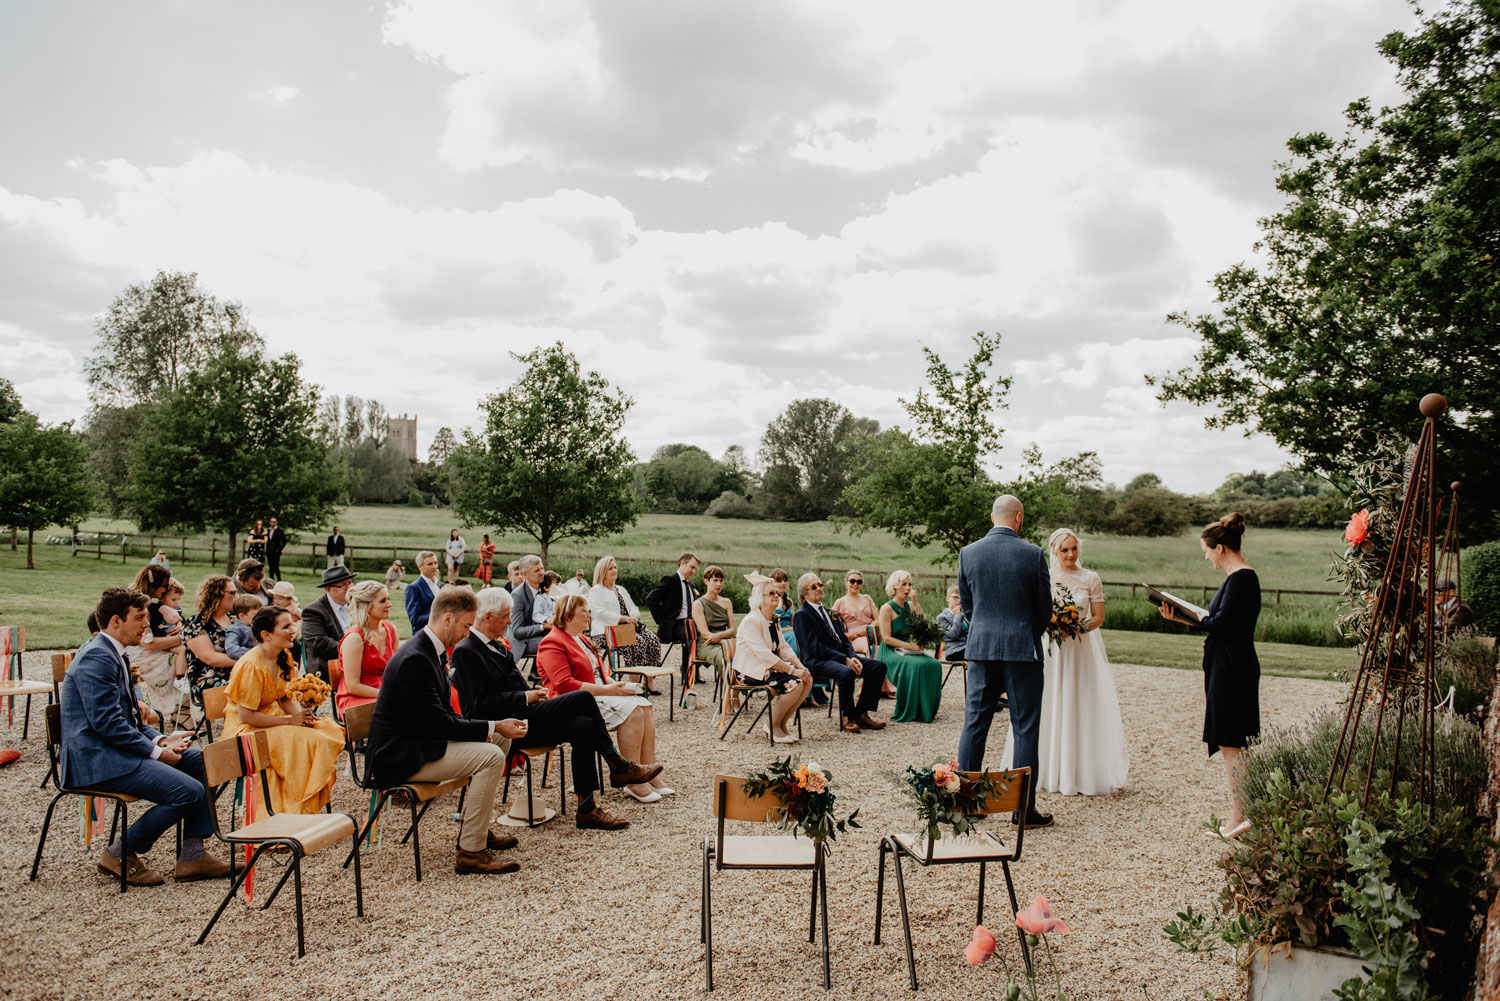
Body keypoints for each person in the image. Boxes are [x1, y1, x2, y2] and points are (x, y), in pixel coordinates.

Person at [59, 587, 231, 887]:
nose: (146, 624)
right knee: (188, 792)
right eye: (139, 618)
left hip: (115, 749)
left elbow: (129, 719)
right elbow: (108, 725)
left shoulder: (111, 652)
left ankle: (192, 855)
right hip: (96, 760)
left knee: (204, 762)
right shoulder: (97, 658)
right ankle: (120, 852)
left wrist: (160, 740)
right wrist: (156, 753)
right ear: (115, 621)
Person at [453, 588, 657, 828]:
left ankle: (586, 808)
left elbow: (515, 685)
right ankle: (618, 765)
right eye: (506, 616)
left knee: (585, 725)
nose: (510, 622)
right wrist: (525, 696)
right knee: (582, 698)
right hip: (503, 730)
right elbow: (479, 707)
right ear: (488, 617)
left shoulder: (497, 646)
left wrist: (535, 695)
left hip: (525, 716)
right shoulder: (466, 652)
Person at [365, 585, 527, 875]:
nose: (467, 633)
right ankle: (471, 852)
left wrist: (494, 728)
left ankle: (474, 828)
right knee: (490, 755)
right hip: (399, 756)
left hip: (420, 742)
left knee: (499, 739)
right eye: (466, 625)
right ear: (448, 618)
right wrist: (491, 724)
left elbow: (446, 713)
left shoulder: (430, 650)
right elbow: (438, 724)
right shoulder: (416, 658)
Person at [1000, 529, 1128, 797]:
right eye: (1065, 550)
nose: (1070, 555)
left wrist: (1076, 627)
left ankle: (1077, 773)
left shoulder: (1090, 578)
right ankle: (1044, 770)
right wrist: (1053, 625)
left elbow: (1098, 617)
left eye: (1074, 549)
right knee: (1046, 702)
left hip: (1080, 650)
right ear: (1053, 551)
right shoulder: (1044, 576)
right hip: (1051, 650)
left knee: (1078, 702)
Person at [1159, 512, 1261, 840]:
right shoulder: (1237, 579)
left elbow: (1221, 624)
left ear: (1220, 548)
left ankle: (1240, 816)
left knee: (1233, 744)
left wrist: (1197, 618)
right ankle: (1242, 814)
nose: (1205, 556)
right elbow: (1219, 621)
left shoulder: (1243, 578)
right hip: (1227, 665)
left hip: (1234, 669)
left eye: (1206, 549)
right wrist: (1184, 619)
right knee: (1229, 741)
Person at [957, 495, 1052, 828]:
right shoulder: (1033, 554)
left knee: (974, 724)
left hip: (981, 649)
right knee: (1024, 727)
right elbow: (1045, 609)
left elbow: (968, 607)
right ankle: (1022, 811)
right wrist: (1024, 633)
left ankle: (968, 804)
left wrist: (984, 630)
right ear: (1019, 518)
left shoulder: (968, 553)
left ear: (991, 516)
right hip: (1022, 651)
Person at [538, 594, 672, 802]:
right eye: (583, 611)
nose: (588, 615)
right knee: (633, 711)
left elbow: (597, 673)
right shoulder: (552, 642)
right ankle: (633, 781)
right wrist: (611, 691)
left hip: (599, 693)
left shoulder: (582, 639)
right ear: (568, 614)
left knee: (645, 705)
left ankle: (648, 773)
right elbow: (564, 684)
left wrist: (616, 685)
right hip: (574, 701)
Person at [223, 607, 344, 814]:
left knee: (327, 729)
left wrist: (300, 716)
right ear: (266, 635)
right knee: (307, 741)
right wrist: (290, 721)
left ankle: (306, 801)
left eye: (292, 625)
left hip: (274, 718)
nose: (293, 630)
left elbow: (285, 696)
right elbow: (246, 715)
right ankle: (297, 807)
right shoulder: (251, 665)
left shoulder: (284, 656)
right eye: (286, 626)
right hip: (247, 729)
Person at [793, 572, 889, 733]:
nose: (819, 588)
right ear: (804, 593)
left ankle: (861, 713)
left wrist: (852, 656)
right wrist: (844, 659)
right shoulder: (802, 615)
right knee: (846, 673)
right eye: (814, 587)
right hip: (817, 661)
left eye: (820, 585)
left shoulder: (830, 612)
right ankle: (848, 716)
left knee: (877, 667)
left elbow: (843, 640)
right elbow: (814, 648)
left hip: (839, 658)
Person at [733, 581, 813, 744]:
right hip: (750, 671)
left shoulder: (772, 620)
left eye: (777, 593)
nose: (776, 595)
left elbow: (784, 647)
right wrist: (792, 671)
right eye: (771, 593)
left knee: (807, 680)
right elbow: (763, 654)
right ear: (759, 598)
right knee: (794, 683)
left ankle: (782, 725)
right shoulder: (752, 621)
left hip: (768, 669)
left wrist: (800, 667)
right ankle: (772, 725)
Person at [878, 571, 945, 724]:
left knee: (934, 665)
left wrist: (916, 602)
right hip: (890, 651)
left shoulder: (909, 606)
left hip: (907, 650)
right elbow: (887, 638)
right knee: (916, 665)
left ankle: (925, 709)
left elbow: (923, 623)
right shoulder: (886, 608)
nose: (908, 588)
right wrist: (911, 646)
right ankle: (909, 709)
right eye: (904, 584)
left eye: (909, 584)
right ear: (895, 587)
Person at [126, 564, 187, 729]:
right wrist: (182, 639)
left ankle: (182, 711)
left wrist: (179, 625)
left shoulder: (150, 602)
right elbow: (149, 643)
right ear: (154, 586)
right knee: (183, 659)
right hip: (134, 653)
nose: (167, 590)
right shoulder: (138, 603)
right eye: (165, 586)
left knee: (185, 656)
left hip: (143, 648)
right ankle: (178, 709)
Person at [588, 555, 663, 673]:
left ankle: (648, 680)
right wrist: (624, 619)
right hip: (606, 631)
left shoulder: (620, 589)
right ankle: (635, 681)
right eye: (610, 568)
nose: (614, 570)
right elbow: (599, 612)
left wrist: (634, 616)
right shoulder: (596, 590)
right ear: (602, 572)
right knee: (637, 642)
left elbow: (633, 607)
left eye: (615, 567)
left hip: (627, 627)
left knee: (653, 640)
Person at [835, 567, 897, 698]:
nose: (855, 584)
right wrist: (851, 635)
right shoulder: (840, 602)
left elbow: (877, 619)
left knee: (883, 646)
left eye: (859, 582)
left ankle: (886, 686)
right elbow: (832, 626)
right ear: (846, 582)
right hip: (851, 637)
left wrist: (868, 628)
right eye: (852, 581)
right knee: (872, 647)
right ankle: (869, 687)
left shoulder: (867, 598)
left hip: (869, 632)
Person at [336, 581, 396, 715]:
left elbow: (398, 670)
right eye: (383, 601)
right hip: (358, 697)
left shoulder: (391, 630)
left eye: (388, 599)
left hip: (386, 691)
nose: (389, 605)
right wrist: (389, 695)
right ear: (367, 606)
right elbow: (353, 686)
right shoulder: (355, 638)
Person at [183, 575, 240, 707]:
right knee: (248, 686)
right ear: (216, 595)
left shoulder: (236, 620)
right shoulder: (196, 624)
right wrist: (249, 662)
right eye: (232, 592)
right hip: (209, 680)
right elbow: (210, 658)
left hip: (237, 673)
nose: (237, 596)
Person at [646, 552, 700, 688]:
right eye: (692, 567)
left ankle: (694, 669)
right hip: (675, 625)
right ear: (683, 563)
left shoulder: (690, 586)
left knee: (705, 636)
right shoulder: (671, 580)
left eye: (695, 569)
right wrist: (661, 619)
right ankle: (688, 674)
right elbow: (651, 599)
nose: (693, 571)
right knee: (690, 637)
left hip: (691, 623)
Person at [302, 564, 355, 685]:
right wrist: (352, 650)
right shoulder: (313, 611)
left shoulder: (355, 604)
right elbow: (318, 643)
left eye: (349, 583)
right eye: (343, 585)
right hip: (328, 662)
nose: (349, 588)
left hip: (355, 658)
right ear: (328, 589)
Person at [690, 566, 736, 685]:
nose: (718, 584)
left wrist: (721, 638)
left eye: (721, 581)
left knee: (744, 654)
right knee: (725, 658)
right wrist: (722, 641)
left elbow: (732, 630)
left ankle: (741, 689)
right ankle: (729, 695)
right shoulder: (698, 604)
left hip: (724, 641)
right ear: (706, 581)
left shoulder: (726, 602)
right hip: (707, 644)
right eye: (715, 580)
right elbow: (706, 634)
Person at [506, 555, 547, 658]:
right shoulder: (517, 595)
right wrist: (543, 626)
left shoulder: (546, 586)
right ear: (525, 574)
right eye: (537, 570)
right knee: (556, 644)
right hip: (523, 641)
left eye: (542, 568)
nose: (541, 572)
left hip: (542, 634)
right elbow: (517, 632)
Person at [405, 550, 443, 630]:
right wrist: (439, 616)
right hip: (425, 635)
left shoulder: (441, 585)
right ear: (420, 566)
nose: (434, 566)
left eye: (435, 563)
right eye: (430, 564)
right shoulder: (414, 588)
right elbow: (415, 620)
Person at [223, 593, 262, 661]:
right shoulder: (236, 629)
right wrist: (256, 653)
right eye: (255, 614)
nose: (260, 617)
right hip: (248, 664)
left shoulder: (258, 626)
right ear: (242, 616)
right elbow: (232, 649)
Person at [937, 585, 968, 661]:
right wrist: (957, 615)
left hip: (967, 648)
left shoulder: (965, 615)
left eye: (961, 597)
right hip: (955, 651)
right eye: (955, 597)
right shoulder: (940, 619)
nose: (959, 600)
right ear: (948, 598)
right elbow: (953, 634)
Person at [265, 516, 287, 581]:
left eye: (274, 522)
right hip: (269, 552)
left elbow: (284, 541)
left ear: (276, 523)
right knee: (271, 567)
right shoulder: (267, 531)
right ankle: (271, 580)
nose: (272, 523)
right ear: (269, 522)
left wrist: (279, 549)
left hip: (276, 552)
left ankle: (279, 580)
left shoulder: (279, 531)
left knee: (276, 567)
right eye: (271, 522)